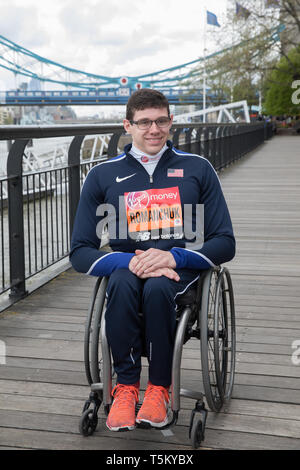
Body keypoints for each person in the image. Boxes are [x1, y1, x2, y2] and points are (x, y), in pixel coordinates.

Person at [70, 89, 235, 432]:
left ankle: (159, 388)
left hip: (179, 271)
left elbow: (225, 241)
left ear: (171, 122)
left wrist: (173, 257)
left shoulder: (198, 169)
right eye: (144, 122)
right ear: (127, 125)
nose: (154, 129)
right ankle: (126, 388)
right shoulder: (102, 175)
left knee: (159, 286)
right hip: (126, 270)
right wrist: (126, 262)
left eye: (161, 120)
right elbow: (80, 252)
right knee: (121, 280)